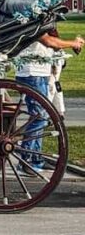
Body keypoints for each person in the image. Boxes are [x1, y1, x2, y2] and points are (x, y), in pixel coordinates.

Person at [16, 26, 84, 172]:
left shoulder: (38, 24)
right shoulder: (34, 24)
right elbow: (49, 42)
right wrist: (73, 43)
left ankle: (36, 159)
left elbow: (53, 45)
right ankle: (25, 159)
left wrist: (69, 47)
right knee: (39, 117)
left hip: (38, 73)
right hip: (33, 74)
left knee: (41, 117)